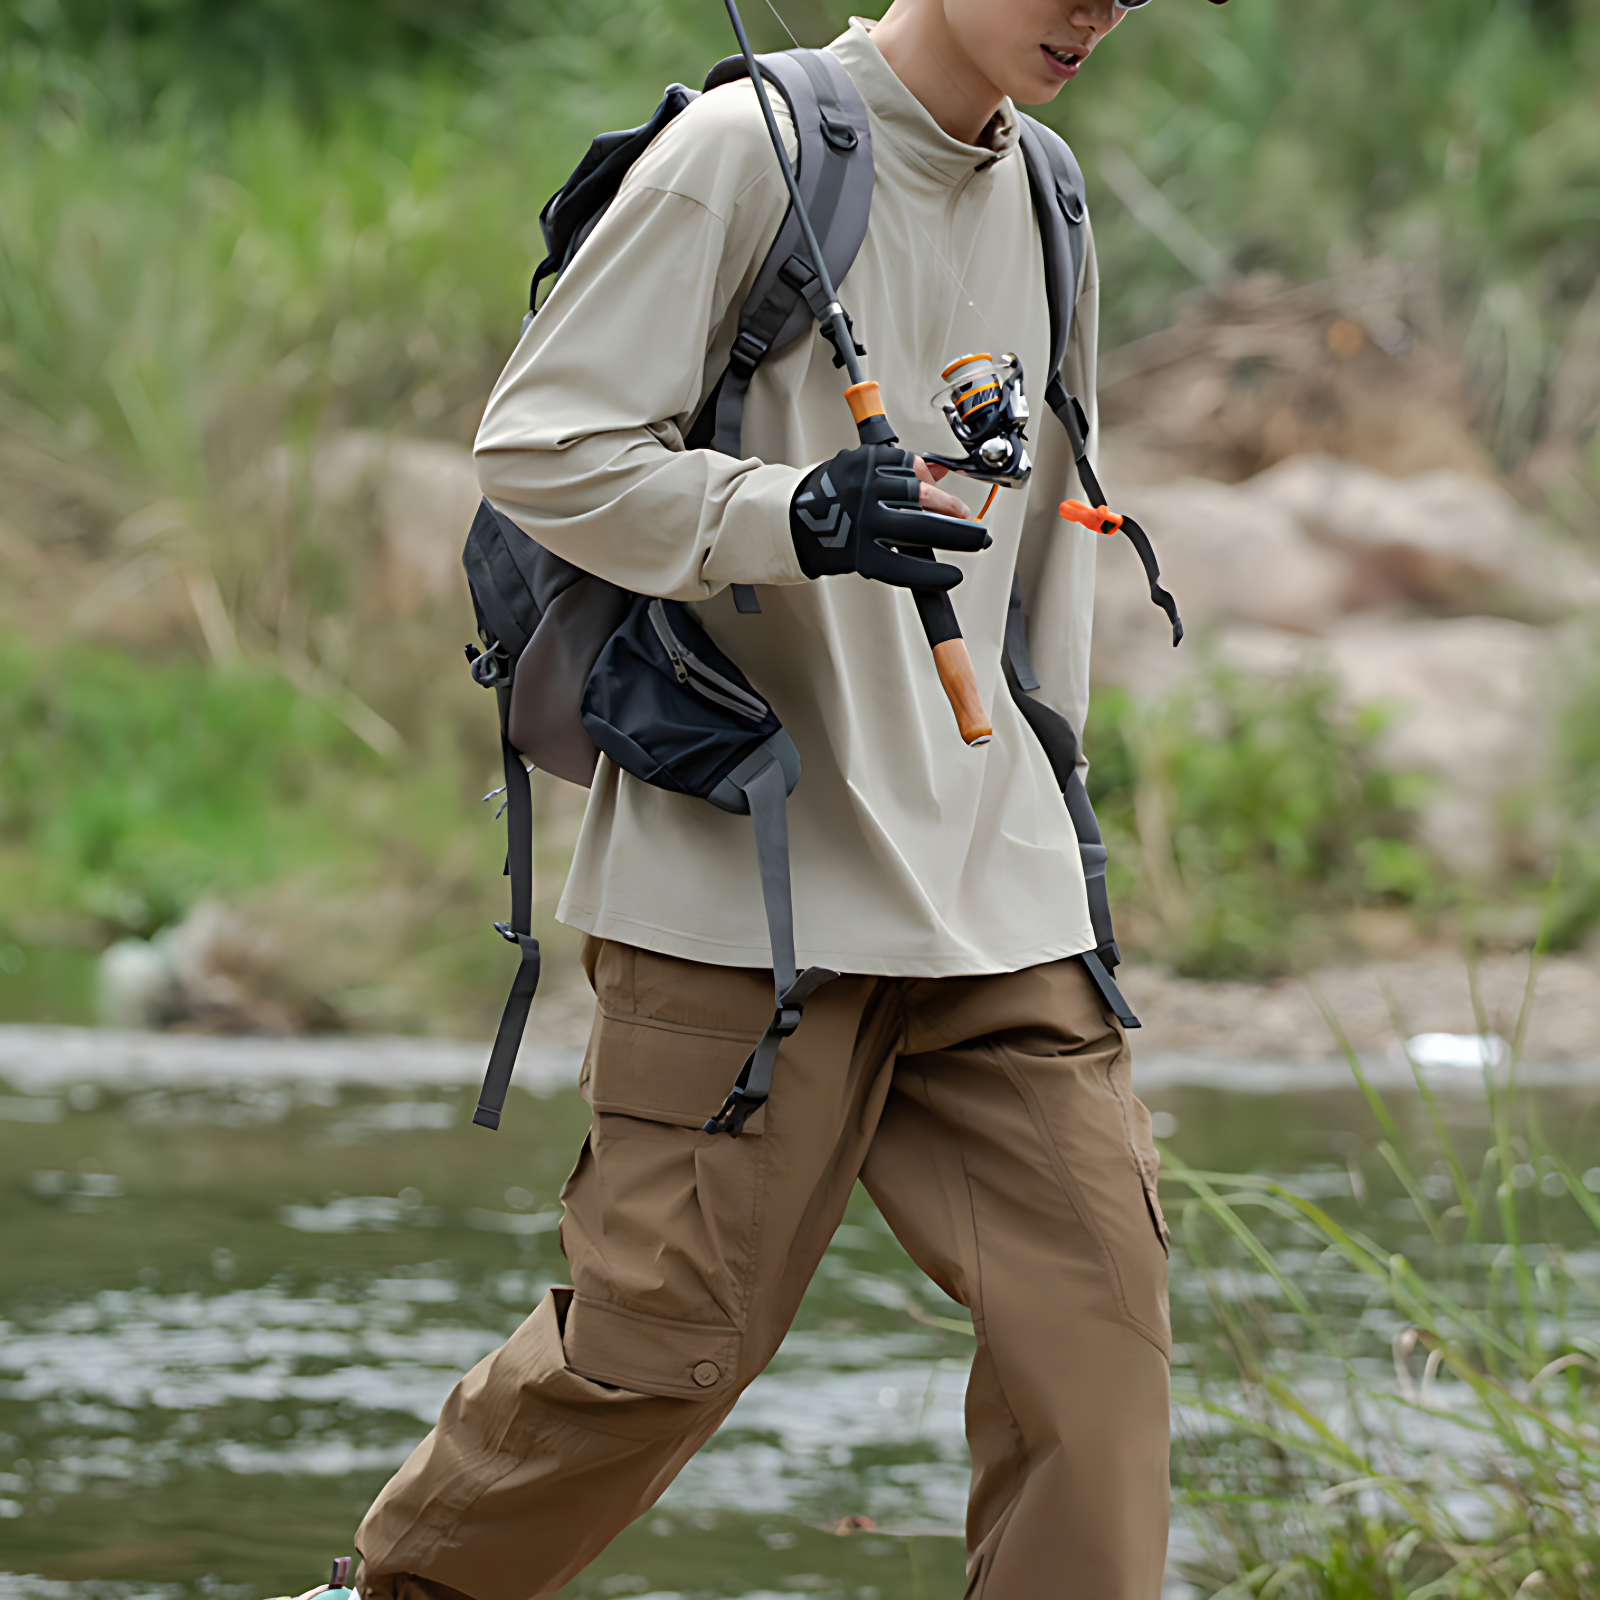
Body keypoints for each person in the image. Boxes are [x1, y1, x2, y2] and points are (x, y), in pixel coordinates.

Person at [353, 3, 1171, 1596]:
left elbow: (1046, 560)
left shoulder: (1054, 188)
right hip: (748, 887)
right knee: (660, 1356)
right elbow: (540, 445)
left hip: (996, 903)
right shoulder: (748, 152)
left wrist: (1059, 829)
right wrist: (785, 508)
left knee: (1102, 1362)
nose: (1098, 9)